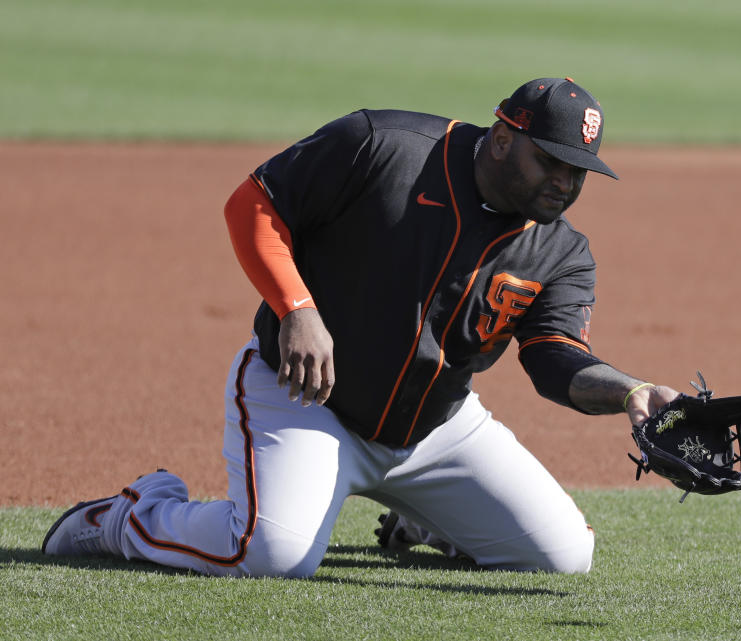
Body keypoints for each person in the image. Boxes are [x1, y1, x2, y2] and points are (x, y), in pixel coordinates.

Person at [42, 77, 680, 577]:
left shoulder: (562, 253)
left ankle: (428, 523)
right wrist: (297, 308)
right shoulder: (384, 146)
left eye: (580, 172)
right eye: (553, 163)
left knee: (565, 554)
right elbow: (255, 202)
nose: (565, 184)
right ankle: (134, 514)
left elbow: (556, 359)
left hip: (435, 431)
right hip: (307, 404)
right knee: (272, 557)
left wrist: (630, 391)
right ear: (505, 135)